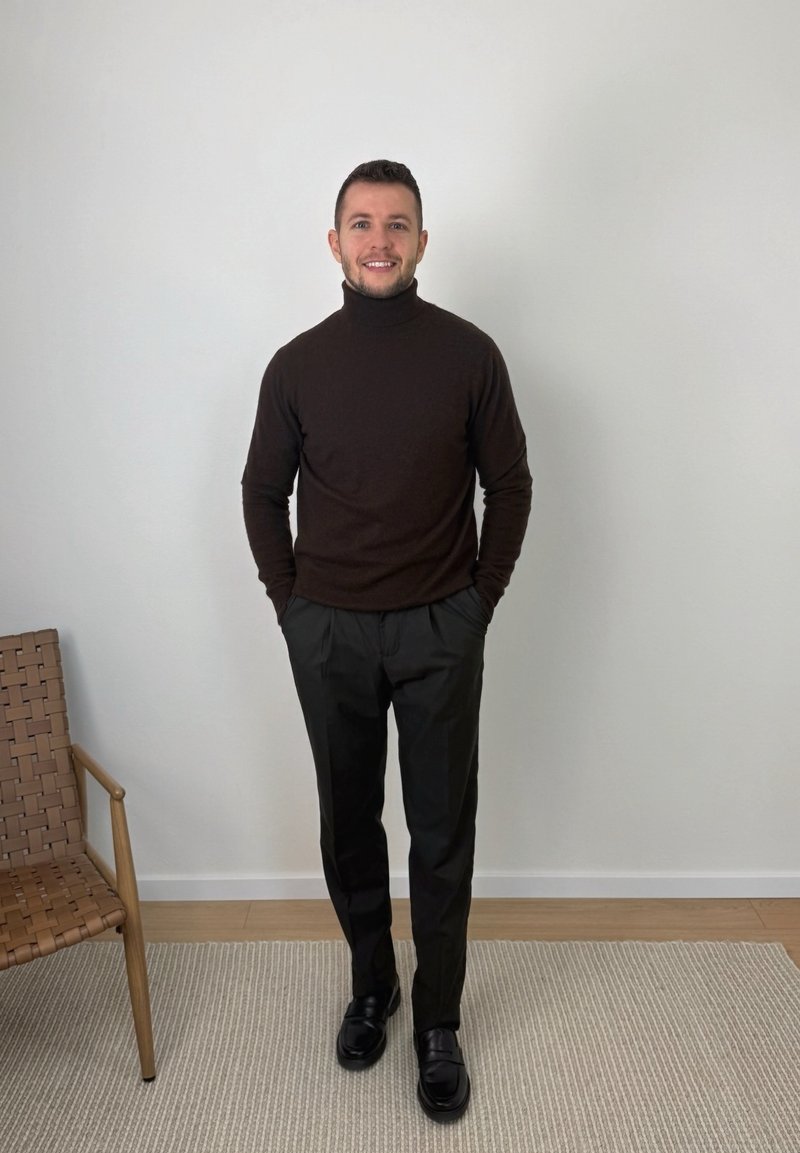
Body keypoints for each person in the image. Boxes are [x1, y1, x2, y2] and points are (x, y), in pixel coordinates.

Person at [242, 159, 531, 1123]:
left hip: (440, 626)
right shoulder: (295, 364)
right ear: (334, 242)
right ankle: (375, 985)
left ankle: (437, 1020)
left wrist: (476, 604)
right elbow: (259, 491)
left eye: (397, 223)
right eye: (361, 223)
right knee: (349, 823)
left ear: (421, 240)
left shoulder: (470, 354)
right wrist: (290, 606)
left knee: (442, 832)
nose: (379, 240)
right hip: (327, 630)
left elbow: (513, 484)